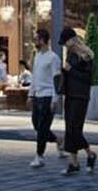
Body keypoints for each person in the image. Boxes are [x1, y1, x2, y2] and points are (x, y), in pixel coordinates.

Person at [58, 27, 97, 175]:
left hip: (81, 96)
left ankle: (90, 153)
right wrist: (63, 72)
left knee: (75, 128)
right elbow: (69, 74)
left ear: (71, 40)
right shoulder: (69, 54)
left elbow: (87, 79)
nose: (64, 45)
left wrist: (70, 71)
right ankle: (74, 163)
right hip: (70, 94)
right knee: (69, 129)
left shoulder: (87, 55)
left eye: (65, 42)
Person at [27, 28, 62, 170]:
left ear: (42, 40)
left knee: (42, 128)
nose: (34, 41)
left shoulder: (53, 58)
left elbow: (56, 80)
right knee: (37, 125)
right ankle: (58, 140)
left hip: (48, 95)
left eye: (36, 39)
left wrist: (55, 99)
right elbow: (34, 76)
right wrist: (30, 94)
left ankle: (39, 156)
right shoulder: (37, 56)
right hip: (37, 95)